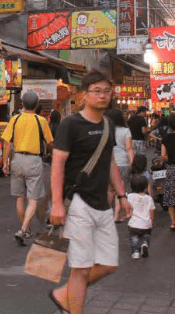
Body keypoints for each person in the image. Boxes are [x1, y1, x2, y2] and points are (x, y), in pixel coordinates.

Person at [49, 71, 132, 314]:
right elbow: (57, 164)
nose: (102, 96)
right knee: (81, 269)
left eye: (106, 91)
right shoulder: (70, 124)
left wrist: (122, 196)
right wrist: (57, 204)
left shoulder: (108, 124)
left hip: (102, 204)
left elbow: (110, 164)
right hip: (78, 203)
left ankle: (64, 294)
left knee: (108, 265)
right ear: (84, 95)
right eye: (96, 91)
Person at [1, 91, 54, 245]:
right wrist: (52, 154)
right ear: (37, 105)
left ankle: (26, 228)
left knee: (19, 197)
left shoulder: (15, 119)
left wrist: (5, 162)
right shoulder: (41, 121)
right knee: (33, 199)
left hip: (17, 159)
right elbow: (50, 142)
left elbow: (7, 143)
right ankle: (23, 230)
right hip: (34, 160)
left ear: (22, 104)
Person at [106, 108, 133, 222]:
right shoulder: (126, 131)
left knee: (110, 190)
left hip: (108, 162)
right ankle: (116, 216)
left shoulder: (106, 129)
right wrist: (131, 162)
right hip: (123, 162)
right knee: (120, 190)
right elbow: (129, 148)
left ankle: (107, 214)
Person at [127, 174, 155, 260]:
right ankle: (144, 244)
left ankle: (135, 252)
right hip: (146, 223)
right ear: (146, 187)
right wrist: (151, 220)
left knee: (134, 238)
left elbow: (128, 207)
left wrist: (128, 215)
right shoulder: (149, 198)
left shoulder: (130, 196)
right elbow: (152, 210)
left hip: (134, 223)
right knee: (145, 236)